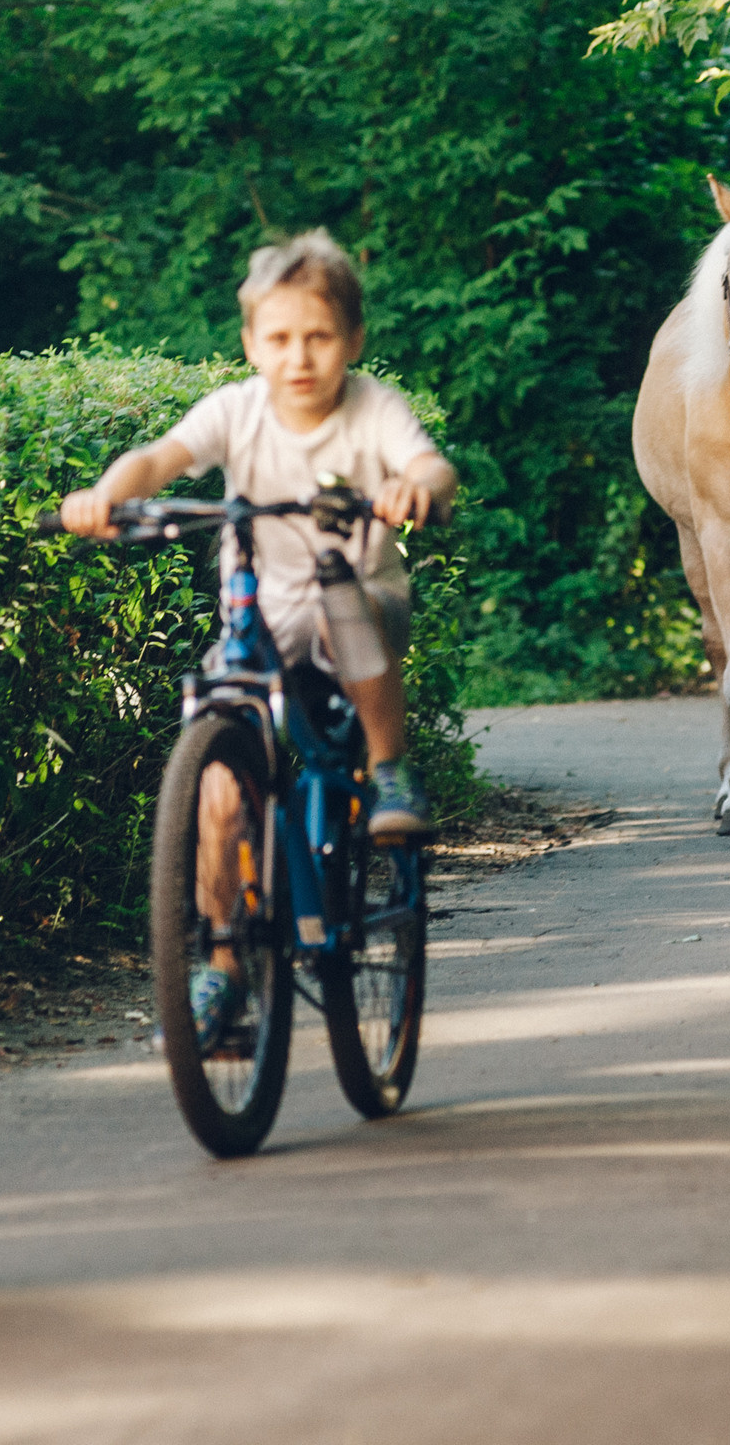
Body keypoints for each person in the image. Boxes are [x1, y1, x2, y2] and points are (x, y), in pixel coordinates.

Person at [60, 232, 457, 1042]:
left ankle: (388, 770)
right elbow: (158, 459)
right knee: (217, 786)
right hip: (263, 621)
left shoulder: (371, 408)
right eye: (278, 338)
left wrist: (415, 488)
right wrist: (105, 496)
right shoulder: (236, 411)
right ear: (250, 344)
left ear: (353, 340)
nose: (297, 357)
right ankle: (224, 967)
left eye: (318, 337)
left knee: (343, 598)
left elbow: (429, 465)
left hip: (359, 605)